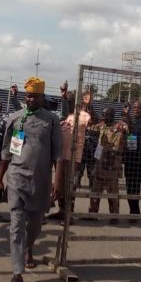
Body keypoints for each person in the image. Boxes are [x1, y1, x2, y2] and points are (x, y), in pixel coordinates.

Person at [0, 76, 62, 282]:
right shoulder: (17, 119)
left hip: (40, 181)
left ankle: (29, 247)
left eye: (35, 95)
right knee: (15, 226)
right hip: (16, 178)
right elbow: (10, 151)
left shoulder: (51, 120)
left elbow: (58, 155)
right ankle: (17, 273)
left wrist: (57, 180)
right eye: (28, 95)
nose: (31, 99)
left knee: (34, 227)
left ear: (42, 97)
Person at [47, 88, 91, 222]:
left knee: (69, 186)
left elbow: (87, 123)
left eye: (71, 100)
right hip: (60, 156)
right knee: (59, 185)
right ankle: (61, 211)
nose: (68, 103)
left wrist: (87, 105)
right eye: (66, 100)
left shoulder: (83, 115)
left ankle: (68, 215)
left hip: (73, 158)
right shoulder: (63, 115)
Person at [88, 107, 128, 223]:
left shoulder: (121, 126)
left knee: (113, 193)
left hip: (113, 164)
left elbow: (129, 134)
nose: (104, 118)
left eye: (106, 115)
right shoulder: (102, 125)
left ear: (112, 115)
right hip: (100, 163)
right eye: (103, 115)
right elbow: (91, 126)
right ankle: (92, 213)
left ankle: (114, 216)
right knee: (95, 191)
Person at [74, 87, 98, 189]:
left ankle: (91, 182)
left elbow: (95, 122)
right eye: (85, 95)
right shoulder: (78, 109)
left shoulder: (92, 110)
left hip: (91, 142)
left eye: (88, 96)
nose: (87, 97)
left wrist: (89, 107)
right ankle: (77, 181)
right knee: (80, 162)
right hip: (81, 142)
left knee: (91, 164)